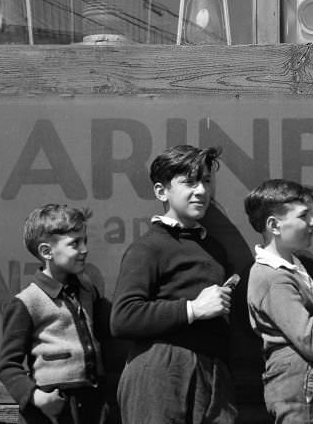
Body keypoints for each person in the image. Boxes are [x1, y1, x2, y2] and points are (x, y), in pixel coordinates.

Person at [110, 144, 238, 424]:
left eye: (206, 181)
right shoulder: (148, 247)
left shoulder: (214, 248)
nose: (202, 191)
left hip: (213, 374)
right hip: (161, 370)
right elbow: (122, 318)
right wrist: (192, 309)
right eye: (189, 182)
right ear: (161, 191)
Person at [244, 179, 313, 424]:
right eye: (303, 216)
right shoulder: (272, 277)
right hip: (302, 386)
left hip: (309, 385)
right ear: (274, 225)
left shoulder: (291, 266)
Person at [0, 204, 107, 424]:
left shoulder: (87, 290)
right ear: (46, 251)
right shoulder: (27, 302)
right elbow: (6, 365)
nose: (84, 249)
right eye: (75, 243)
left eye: (84, 240)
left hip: (91, 403)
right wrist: (36, 397)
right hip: (54, 406)